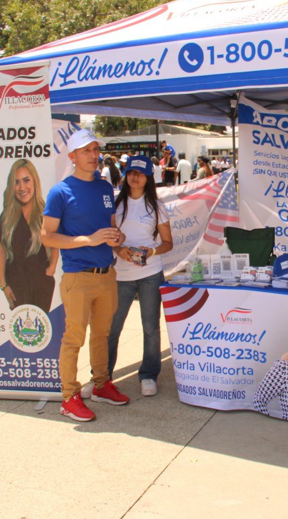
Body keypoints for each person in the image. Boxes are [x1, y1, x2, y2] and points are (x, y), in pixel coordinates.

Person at [41, 129, 130, 422]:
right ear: (73, 156)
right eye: (87, 151)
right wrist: (88, 240)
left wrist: (117, 238)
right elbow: (47, 237)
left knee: (102, 334)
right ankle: (69, 397)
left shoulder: (105, 188)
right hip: (78, 276)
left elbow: (112, 225)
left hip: (107, 274)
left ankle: (101, 385)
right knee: (74, 338)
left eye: (96, 150)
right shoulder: (60, 191)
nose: (94, 156)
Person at [107, 155, 172, 396]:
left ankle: (148, 375)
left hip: (150, 274)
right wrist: (117, 250)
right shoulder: (115, 203)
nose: (135, 176)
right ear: (125, 175)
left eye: (140, 173)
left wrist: (151, 251)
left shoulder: (156, 206)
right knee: (112, 328)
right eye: (131, 172)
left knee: (150, 327)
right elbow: (107, 237)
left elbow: (168, 243)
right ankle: (102, 376)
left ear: (148, 179)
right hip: (120, 275)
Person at [0, 159, 58, 313]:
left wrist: (52, 267)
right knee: (22, 334)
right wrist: (4, 285)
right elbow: (1, 250)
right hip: (16, 285)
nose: (22, 187)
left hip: (42, 284)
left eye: (26, 180)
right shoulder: (6, 217)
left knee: (41, 333)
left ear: (35, 182)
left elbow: (55, 241)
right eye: (16, 182)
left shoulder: (46, 212)